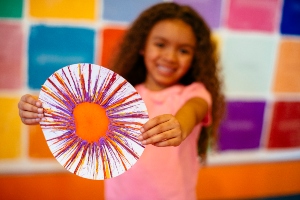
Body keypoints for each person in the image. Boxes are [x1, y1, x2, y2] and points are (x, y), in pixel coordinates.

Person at [18, 2, 224, 200]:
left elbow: (194, 109)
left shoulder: (194, 93)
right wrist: (40, 112)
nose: (170, 56)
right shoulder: (120, 97)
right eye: (160, 44)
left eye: (183, 50)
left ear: (195, 57)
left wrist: (179, 124)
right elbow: (78, 118)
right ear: (142, 46)